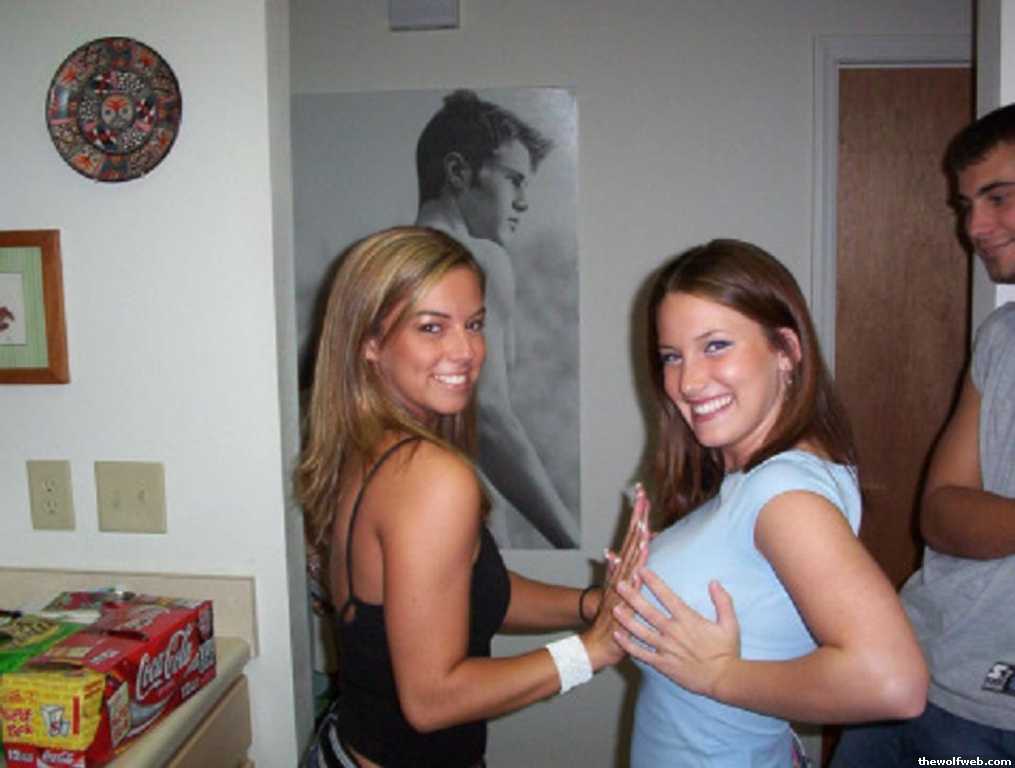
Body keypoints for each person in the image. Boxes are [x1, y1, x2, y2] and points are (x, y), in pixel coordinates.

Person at [296, 226, 647, 768]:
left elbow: (462, 591)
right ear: (369, 342)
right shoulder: (431, 476)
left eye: (475, 324)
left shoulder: (367, 448)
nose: (466, 351)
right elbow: (432, 701)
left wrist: (590, 604)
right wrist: (591, 651)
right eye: (432, 327)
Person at [610, 239, 928, 767]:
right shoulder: (757, 480)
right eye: (672, 356)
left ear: (786, 349)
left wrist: (721, 675)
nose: (688, 381)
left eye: (716, 346)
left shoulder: (783, 494)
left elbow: (892, 682)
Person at [831, 104, 1015, 765]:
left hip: (996, 724)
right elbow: (939, 513)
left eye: (999, 198)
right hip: (912, 665)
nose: (973, 228)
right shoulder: (1001, 336)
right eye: (967, 206)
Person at [414, 89, 579, 549]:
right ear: (458, 172)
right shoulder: (479, 261)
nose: (523, 201)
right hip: (456, 515)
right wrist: (572, 541)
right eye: (513, 180)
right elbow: (487, 417)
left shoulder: (369, 265)